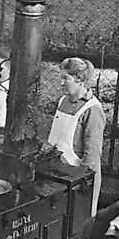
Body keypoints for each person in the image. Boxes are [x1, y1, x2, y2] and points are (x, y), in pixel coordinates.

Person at [47, 57, 105, 215]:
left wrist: (82, 183)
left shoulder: (92, 110)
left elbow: (92, 156)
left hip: (76, 179)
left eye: (66, 78)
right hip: (56, 173)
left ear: (80, 80)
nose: (61, 83)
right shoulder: (62, 101)